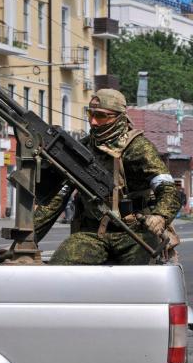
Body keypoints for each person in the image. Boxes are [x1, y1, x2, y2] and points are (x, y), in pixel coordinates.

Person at [34, 89, 181, 265]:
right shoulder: (83, 148)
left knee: (141, 278)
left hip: (135, 234)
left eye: (101, 116)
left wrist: (160, 216)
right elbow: (57, 199)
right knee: (60, 267)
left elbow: (168, 188)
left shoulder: (138, 148)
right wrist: (26, 240)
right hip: (93, 234)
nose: (93, 122)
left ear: (119, 117)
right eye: (90, 114)